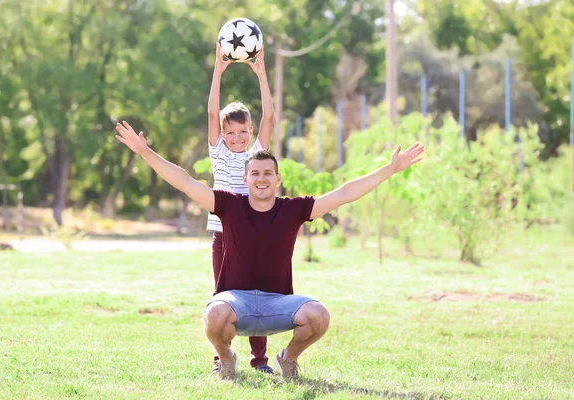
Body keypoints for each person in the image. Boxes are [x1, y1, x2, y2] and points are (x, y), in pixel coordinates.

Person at [114, 121, 424, 380]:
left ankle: (287, 359)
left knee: (318, 316)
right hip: (237, 303)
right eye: (255, 174)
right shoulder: (228, 205)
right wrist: (145, 152)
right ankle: (227, 360)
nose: (261, 179)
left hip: (278, 304)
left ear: (277, 179)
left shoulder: (294, 209)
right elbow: (184, 181)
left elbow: (344, 193)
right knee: (214, 314)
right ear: (245, 178)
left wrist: (390, 169)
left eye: (267, 174)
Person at [206, 43, 274, 374]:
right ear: (222, 133)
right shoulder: (217, 153)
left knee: (257, 295)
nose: (236, 137)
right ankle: (223, 357)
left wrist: (261, 74)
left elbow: (270, 116)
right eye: (230, 132)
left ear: (250, 132)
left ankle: (259, 360)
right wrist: (218, 71)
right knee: (224, 297)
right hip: (222, 237)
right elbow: (210, 113)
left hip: (253, 236)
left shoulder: (256, 156)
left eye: (242, 131)